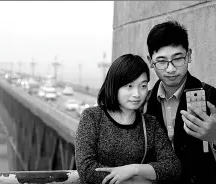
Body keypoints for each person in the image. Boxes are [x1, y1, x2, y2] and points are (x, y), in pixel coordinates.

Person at [75, 54, 181, 184]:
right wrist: (136, 181)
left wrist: (134, 169)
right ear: (114, 85)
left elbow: (173, 167)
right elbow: (86, 169)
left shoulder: (150, 124)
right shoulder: (92, 117)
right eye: (129, 86)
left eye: (143, 86)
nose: (137, 94)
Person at [144, 20, 216, 184]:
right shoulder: (143, 105)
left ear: (189, 55)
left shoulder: (214, 98)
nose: (171, 69)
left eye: (178, 58)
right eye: (161, 61)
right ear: (150, 62)